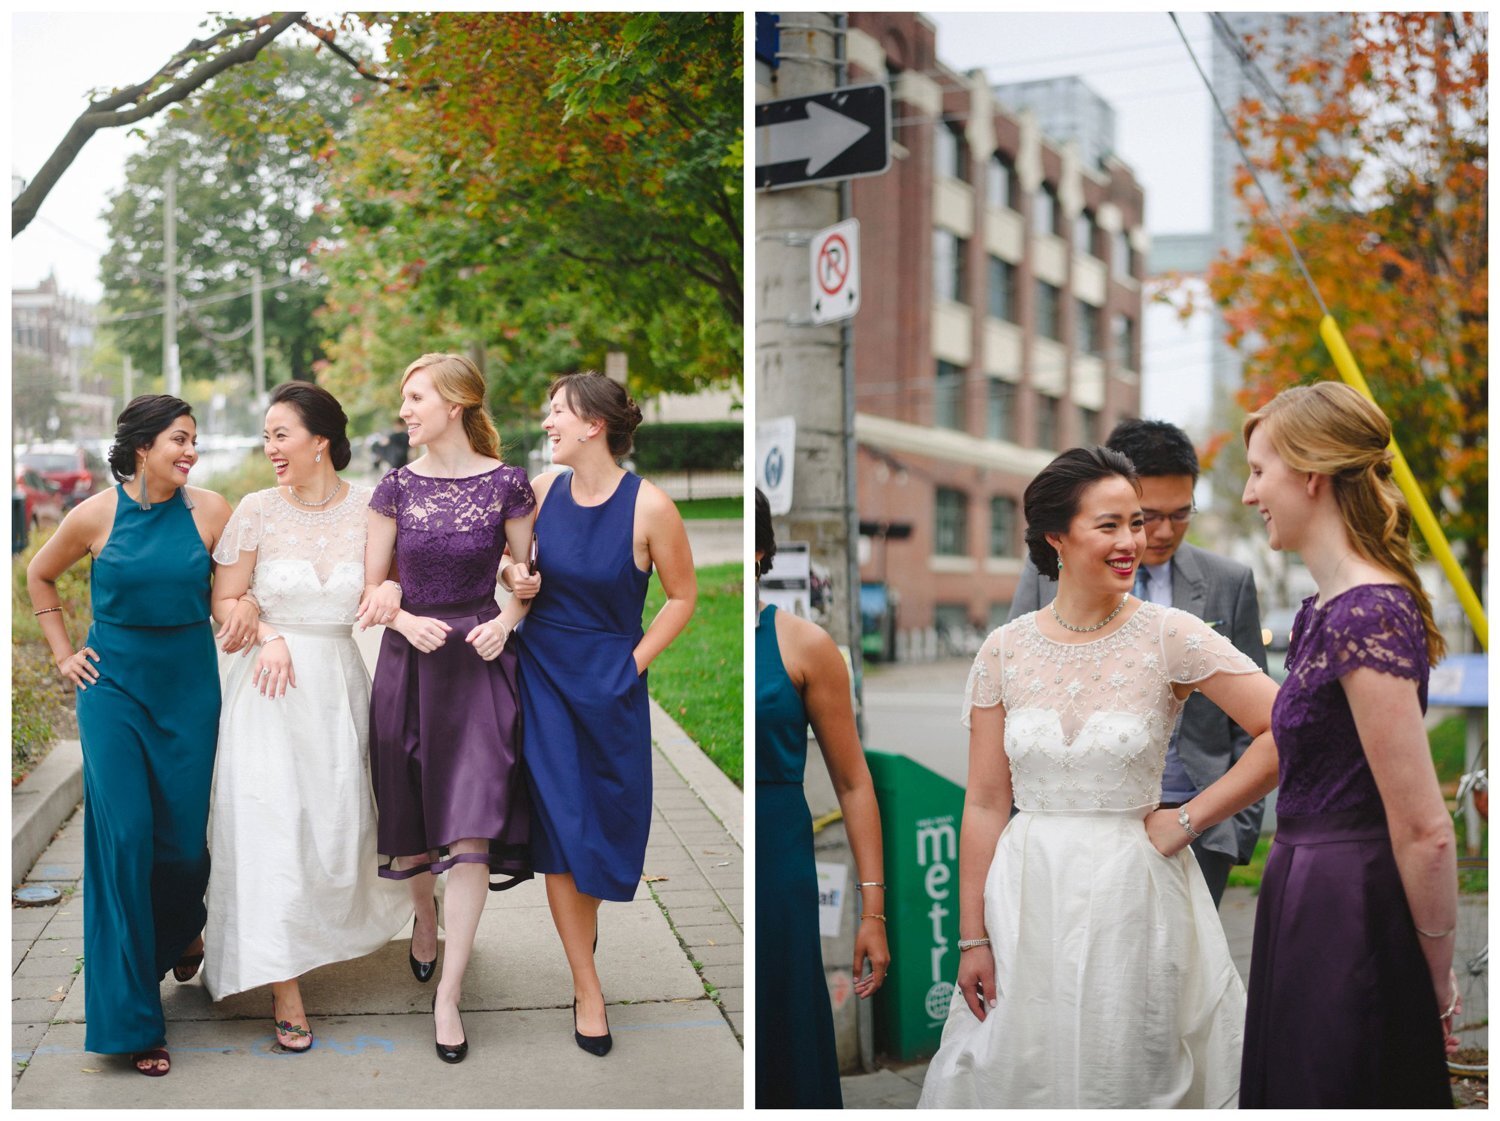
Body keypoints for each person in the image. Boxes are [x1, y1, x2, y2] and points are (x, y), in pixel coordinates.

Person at [918, 446, 1280, 1108]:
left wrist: (1188, 817)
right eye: (1109, 524)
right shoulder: (1004, 648)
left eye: (1136, 523)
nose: (1133, 541)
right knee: (1019, 1066)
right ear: (1056, 534)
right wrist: (972, 936)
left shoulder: (1171, 635)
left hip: (1133, 892)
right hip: (1028, 894)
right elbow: (985, 803)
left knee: (1130, 1066)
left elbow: (1285, 728)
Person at [1213, 382, 1457, 1105]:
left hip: (1351, 902)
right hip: (1303, 888)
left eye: (1260, 470)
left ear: (1311, 475)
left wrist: (1437, 978)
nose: (1252, 492)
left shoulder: (1367, 611)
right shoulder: (1321, 609)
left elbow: (1426, 829)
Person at [25, 396, 234, 1077]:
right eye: (180, 439)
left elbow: (233, 593)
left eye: (194, 441)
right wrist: (61, 652)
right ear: (142, 446)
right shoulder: (94, 514)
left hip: (189, 690)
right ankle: (135, 1018)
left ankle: (180, 928)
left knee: (179, 846)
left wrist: (251, 604)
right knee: (124, 840)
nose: (190, 451)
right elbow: (40, 574)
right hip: (112, 690)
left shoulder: (211, 510)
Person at [203, 382, 413, 1050]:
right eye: (265, 436)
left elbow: (395, 579)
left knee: (334, 827)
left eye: (279, 434)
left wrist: (389, 589)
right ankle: (283, 984)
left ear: (320, 439)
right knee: (269, 828)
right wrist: (263, 630)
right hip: (269, 688)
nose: (270, 448)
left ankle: (331, 933)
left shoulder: (372, 509)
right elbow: (226, 599)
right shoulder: (257, 510)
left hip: (339, 687)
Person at [506, 371, 696, 1057]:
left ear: (593, 423)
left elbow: (682, 596)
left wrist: (633, 663)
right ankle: (587, 985)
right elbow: (513, 566)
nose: (547, 420)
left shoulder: (650, 507)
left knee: (604, 825)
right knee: (560, 826)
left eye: (556, 411)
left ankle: (584, 930)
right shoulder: (540, 490)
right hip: (544, 675)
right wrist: (517, 578)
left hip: (610, 682)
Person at [357, 353, 538, 1064]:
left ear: (455, 404)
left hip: (480, 669)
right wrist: (402, 622)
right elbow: (372, 591)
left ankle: (449, 995)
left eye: (415, 398)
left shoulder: (509, 484)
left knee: (469, 831)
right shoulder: (394, 489)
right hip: (410, 667)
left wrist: (508, 616)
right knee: (417, 817)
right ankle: (422, 916)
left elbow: (525, 579)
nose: (405, 411)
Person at [1008, 418, 1267, 906]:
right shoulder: (1049, 572)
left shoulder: (1227, 581)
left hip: (1196, 829)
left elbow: (1257, 724)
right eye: (1146, 516)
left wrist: (1227, 832)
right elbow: (1017, 689)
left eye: (1181, 514)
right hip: (1076, 824)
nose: (1163, 532)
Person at [754, 488, 890, 1108]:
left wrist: (872, 914)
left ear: (760, 553)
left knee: (784, 1019)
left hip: (778, 850)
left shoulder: (804, 645)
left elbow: (855, 783)